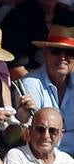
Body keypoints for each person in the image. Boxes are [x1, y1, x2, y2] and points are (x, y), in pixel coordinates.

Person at [23, 25, 74, 155]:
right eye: (56, 50)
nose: (62, 57)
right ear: (45, 53)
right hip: (43, 157)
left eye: (69, 53)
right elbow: (33, 134)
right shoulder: (31, 83)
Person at [0, 0, 74, 75]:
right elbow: (16, 68)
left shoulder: (68, 17)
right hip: (31, 81)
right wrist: (40, 85)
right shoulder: (19, 16)